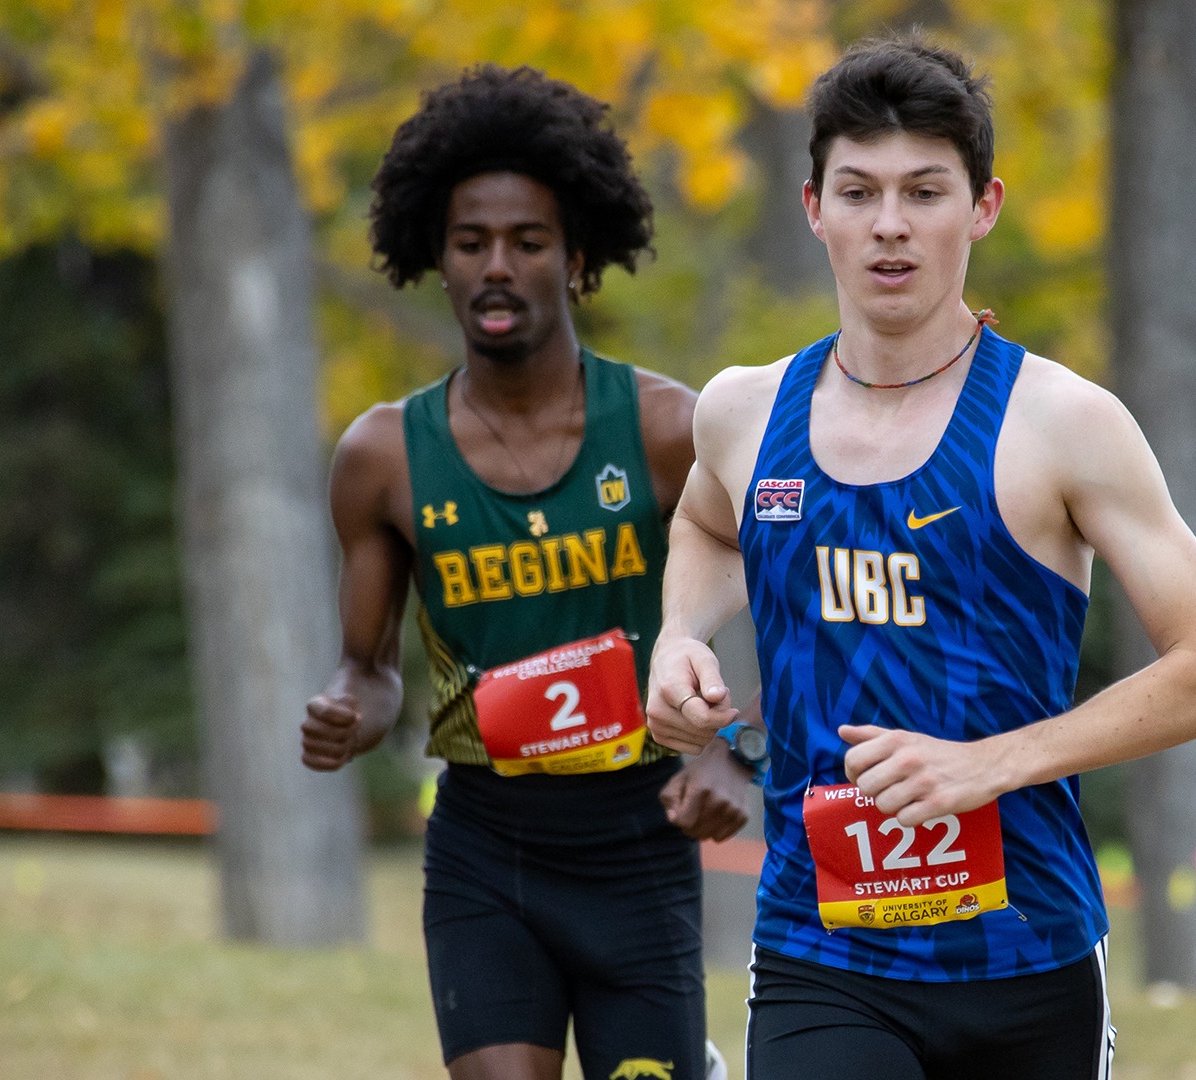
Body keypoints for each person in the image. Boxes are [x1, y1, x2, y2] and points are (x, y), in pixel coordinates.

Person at [642, 38, 1196, 1080]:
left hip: (1028, 954)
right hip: (820, 951)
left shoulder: (1064, 423)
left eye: (925, 192)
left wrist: (988, 765)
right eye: (859, 192)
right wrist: (678, 637)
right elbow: (704, 527)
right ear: (814, 208)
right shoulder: (743, 411)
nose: (890, 224)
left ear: (983, 207)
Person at [297, 66, 758, 1080]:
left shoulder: (668, 430)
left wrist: (736, 754)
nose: (497, 267)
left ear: (578, 258)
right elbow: (368, 670)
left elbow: (789, 612)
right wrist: (347, 706)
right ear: (438, 258)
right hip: (485, 845)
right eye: (471, 244)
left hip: (639, 839)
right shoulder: (383, 457)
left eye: (528, 242)